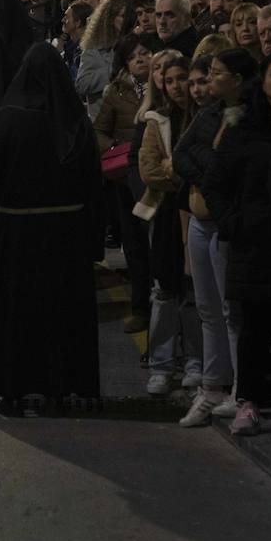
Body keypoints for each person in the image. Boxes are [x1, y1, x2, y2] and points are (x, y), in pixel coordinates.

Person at [0, 44, 102, 410]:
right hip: (67, 238)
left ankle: (11, 389)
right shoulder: (76, 124)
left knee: (16, 317)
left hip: (16, 238)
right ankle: (63, 388)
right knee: (61, 315)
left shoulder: (6, 122)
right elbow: (94, 185)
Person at [205, 52, 271, 435]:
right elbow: (216, 182)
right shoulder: (244, 127)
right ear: (262, 80)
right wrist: (234, 223)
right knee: (254, 328)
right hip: (254, 244)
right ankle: (249, 401)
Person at [174, 47, 257, 426]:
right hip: (199, 220)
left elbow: (237, 166)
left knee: (230, 311)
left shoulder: (250, 119)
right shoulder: (208, 114)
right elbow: (181, 154)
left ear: (237, 80)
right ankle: (212, 386)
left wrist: (210, 172)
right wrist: (212, 170)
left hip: (224, 224)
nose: (209, 80)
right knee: (208, 309)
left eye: (217, 73)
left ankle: (240, 389)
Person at [137, 50, 201, 395]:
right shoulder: (157, 121)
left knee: (192, 292)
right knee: (164, 290)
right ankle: (161, 364)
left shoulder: (202, 118)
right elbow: (149, 170)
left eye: (182, 79)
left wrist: (173, 167)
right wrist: (180, 172)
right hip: (165, 212)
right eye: (170, 79)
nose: (176, 86)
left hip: (193, 213)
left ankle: (194, 360)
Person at [93, 34, 152, 332]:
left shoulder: (164, 85)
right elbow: (100, 130)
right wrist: (117, 147)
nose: (140, 59)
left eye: (145, 53)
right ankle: (141, 308)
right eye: (133, 56)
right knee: (135, 244)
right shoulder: (117, 92)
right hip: (127, 179)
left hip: (155, 177)